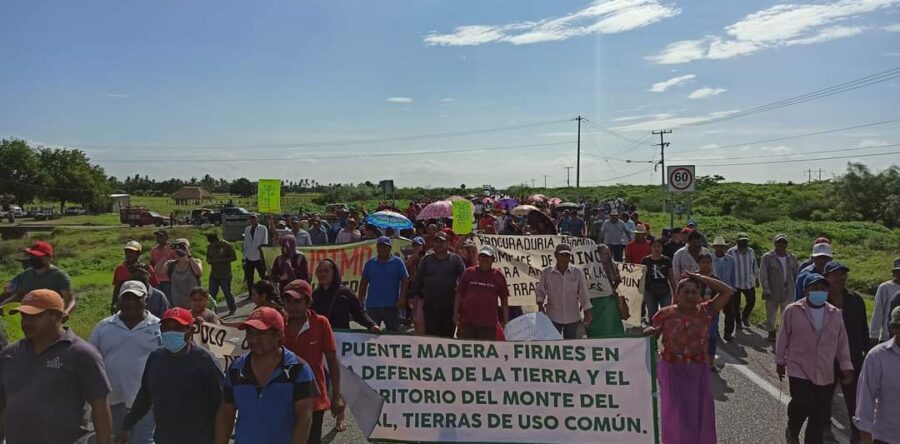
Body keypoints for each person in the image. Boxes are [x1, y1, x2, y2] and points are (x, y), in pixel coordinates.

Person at [0, 289, 113, 444]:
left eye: (35, 316)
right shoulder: (10, 354)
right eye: (24, 316)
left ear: (57, 316)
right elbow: (3, 405)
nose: (26, 322)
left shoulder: (82, 355)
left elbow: (100, 408)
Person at [644, 273, 733, 444]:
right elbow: (651, 338)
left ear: (700, 296)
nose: (690, 296)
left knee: (699, 413)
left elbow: (727, 291)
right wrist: (649, 332)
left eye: (694, 292)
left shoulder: (707, 310)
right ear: (677, 295)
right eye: (686, 292)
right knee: (676, 414)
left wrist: (699, 276)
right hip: (672, 370)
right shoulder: (665, 313)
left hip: (698, 371)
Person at [116, 307, 224, 444]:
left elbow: (222, 404)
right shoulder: (156, 358)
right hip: (165, 438)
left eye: (177, 328)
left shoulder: (205, 360)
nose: (170, 332)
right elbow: (145, 395)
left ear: (190, 330)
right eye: (166, 328)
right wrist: (127, 426)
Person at [215, 307, 319, 444]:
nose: (254, 339)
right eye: (250, 333)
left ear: (279, 335)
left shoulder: (298, 369)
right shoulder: (235, 370)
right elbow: (225, 416)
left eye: (261, 333)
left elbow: (304, 420)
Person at [776, 274, 853, 444]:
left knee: (819, 412)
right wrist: (780, 361)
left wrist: (846, 366)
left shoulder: (834, 314)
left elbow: (842, 342)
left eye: (823, 288)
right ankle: (793, 429)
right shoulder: (792, 311)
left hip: (825, 370)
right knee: (802, 402)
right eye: (815, 288)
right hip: (799, 368)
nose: (820, 292)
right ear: (806, 291)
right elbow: (783, 337)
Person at [90, 282, 161, 444]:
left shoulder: (158, 326)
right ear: (119, 301)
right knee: (117, 439)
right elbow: (91, 359)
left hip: (147, 401)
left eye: (136, 298)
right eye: (126, 298)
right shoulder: (104, 326)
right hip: (112, 399)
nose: (131, 302)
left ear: (146, 300)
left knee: (143, 439)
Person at [282, 282, 346, 444]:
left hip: (314, 398)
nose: (292, 306)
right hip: (283, 397)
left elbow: (332, 361)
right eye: (288, 301)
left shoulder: (321, 323)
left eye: (297, 302)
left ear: (308, 302)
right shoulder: (278, 324)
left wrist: (336, 395)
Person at [823, 261, 870, 443]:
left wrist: (866, 354)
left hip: (852, 359)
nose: (840, 277)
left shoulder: (856, 300)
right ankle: (824, 428)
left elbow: (863, 329)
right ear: (826, 277)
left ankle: (856, 436)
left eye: (843, 274)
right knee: (824, 397)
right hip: (826, 359)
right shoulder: (820, 301)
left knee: (854, 402)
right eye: (836, 274)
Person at [854, 306, 900, 444]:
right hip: (886, 437)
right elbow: (865, 400)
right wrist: (866, 438)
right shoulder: (877, 357)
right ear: (893, 329)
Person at [409, 232, 467, 338]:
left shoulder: (456, 259)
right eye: (436, 242)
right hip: (430, 307)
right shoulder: (426, 260)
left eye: (442, 242)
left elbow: (464, 280)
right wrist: (412, 296)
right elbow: (418, 279)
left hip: (449, 307)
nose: (439, 244)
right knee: (431, 338)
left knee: (447, 338)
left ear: (448, 243)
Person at [2, 241, 76, 314]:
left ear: (49, 258)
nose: (34, 259)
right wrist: (3, 305)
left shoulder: (59, 276)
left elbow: (70, 300)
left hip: (49, 316)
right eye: (32, 256)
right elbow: (20, 294)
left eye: (37, 256)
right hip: (27, 315)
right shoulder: (26, 274)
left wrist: (66, 313)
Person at [536, 243, 592, 339]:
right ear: (556, 255)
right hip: (553, 316)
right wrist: (540, 306)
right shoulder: (547, 272)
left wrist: (587, 312)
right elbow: (540, 291)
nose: (565, 258)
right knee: (552, 344)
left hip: (573, 317)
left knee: (572, 345)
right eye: (562, 255)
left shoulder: (577, 272)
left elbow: (583, 294)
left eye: (567, 256)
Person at [304, 260, 379, 332]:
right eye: (320, 271)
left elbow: (359, 314)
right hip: (321, 336)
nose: (322, 274)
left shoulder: (345, 293)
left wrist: (372, 325)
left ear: (334, 273)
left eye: (326, 271)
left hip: (341, 337)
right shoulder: (314, 295)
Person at [454, 245, 509, 340]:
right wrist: (455, 313)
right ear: (478, 258)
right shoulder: (468, 272)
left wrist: (506, 321)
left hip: (489, 325)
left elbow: (504, 299)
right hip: (468, 323)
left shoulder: (499, 276)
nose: (484, 259)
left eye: (488, 257)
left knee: (488, 349)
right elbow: (459, 293)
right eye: (482, 256)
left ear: (493, 259)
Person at [359, 236, 409, 332]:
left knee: (393, 333)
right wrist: (360, 300)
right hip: (372, 305)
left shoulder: (398, 262)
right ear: (377, 248)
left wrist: (402, 299)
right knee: (371, 334)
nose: (382, 249)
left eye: (385, 247)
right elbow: (363, 283)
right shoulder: (370, 263)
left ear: (390, 248)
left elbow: (405, 280)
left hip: (392, 306)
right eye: (380, 247)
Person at [759, 234, 800, 341]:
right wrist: (766, 289)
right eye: (779, 242)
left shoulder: (792, 257)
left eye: (784, 242)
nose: (781, 244)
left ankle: (785, 334)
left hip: (788, 291)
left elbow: (797, 273)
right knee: (771, 315)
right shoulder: (767, 257)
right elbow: (763, 274)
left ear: (787, 244)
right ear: (775, 243)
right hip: (772, 291)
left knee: (787, 315)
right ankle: (772, 333)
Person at [586, 244, 625, 337]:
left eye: (607, 253)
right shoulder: (590, 265)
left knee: (609, 324)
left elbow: (618, 279)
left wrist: (612, 288)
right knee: (595, 323)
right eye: (602, 253)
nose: (604, 256)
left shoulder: (612, 265)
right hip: (594, 300)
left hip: (609, 300)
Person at [112, 241, 158, 311]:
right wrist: (113, 303)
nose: (129, 254)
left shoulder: (147, 268)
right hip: (124, 303)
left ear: (138, 253)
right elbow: (117, 288)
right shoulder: (120, 268)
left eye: (132, 252)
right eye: (127, 252)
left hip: (142, 302)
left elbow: (154, 287)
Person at [641, 238, 678, 322]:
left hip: (664, 290)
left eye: (659, 246)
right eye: (654, 246)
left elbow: (671, 277)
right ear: (650, 248)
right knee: (652, 314)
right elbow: (642, 277)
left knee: (666, 312)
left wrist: (675, 292)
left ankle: (665, 329)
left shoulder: (667, 260)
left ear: (662, 248)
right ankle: (653, 328)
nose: (656, 248)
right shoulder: (645, 260)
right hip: (649, 290)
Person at [727, 232, 758, 329]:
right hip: (735, 282)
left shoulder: (751, 251)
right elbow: (728, 267)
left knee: (752, 301)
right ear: (737, 241)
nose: (744, 242)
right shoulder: (731, 252)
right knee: (736, 304)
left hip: (749, 281)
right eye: (742, 241)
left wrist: (757, 278)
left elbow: (754, 265)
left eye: (746, 241)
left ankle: (745, 316)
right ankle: (738, 321)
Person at [710, 236, 737, 341]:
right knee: (713, 311)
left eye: (721, 246)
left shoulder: (730, 259)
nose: (719, 248)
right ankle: (714, 330)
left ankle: (728, 333)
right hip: (714, 289)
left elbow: (733, 275)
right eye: (717, 246)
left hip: (727, 288)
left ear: (724, 247)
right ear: (714, 247)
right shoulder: (710, 259)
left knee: (729, 312)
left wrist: (733, 288)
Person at [164, 239, 203, 309]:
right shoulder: (171, 264)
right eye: (177, 247)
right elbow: (158, 273)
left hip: (194, 306)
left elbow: (198, 272)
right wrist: (165, 255)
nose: (180, 250)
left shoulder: (196, 261)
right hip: (177, 307)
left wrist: (189, 255)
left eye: (182, 247)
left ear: (188, 248)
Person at [205, 232, 237, 316]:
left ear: (217, 240)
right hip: (214, 273)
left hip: (225, 273)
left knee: (227, 292)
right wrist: (211, 260)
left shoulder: (226, 245)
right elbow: (208, 259)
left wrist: (220, 260)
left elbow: (234, 257)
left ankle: (232, 308)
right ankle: (211, 312)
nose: (212, 244)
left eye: (213, 243)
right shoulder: (210, 247)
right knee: (211, 294)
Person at [870, 257, 900, 343]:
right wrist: (874, 335)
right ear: (894, 273)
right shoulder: (885, 287)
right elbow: (878, 311)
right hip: (888, 336)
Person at [242, 213, 269, 292]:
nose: (253, 220)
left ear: (257, 219)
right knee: (249, 277)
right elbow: (245, 243)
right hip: (249, 256)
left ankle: (265, 292)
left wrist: (263, 254)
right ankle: (251, 294)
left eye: (254, 218)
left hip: (259, 256)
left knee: (263, 275)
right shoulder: (247, 229)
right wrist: (244, 257)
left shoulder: (263, 228)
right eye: (251, 219)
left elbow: (265, 242)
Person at [150, 230, 176, 302]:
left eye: (161, 236)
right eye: (157, 236)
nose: (158, 238)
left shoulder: (172, 249)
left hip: (169, 280)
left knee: (168, 300)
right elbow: (152, 264)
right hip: (157, 281)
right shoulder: (154, 250)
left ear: (167, 237)